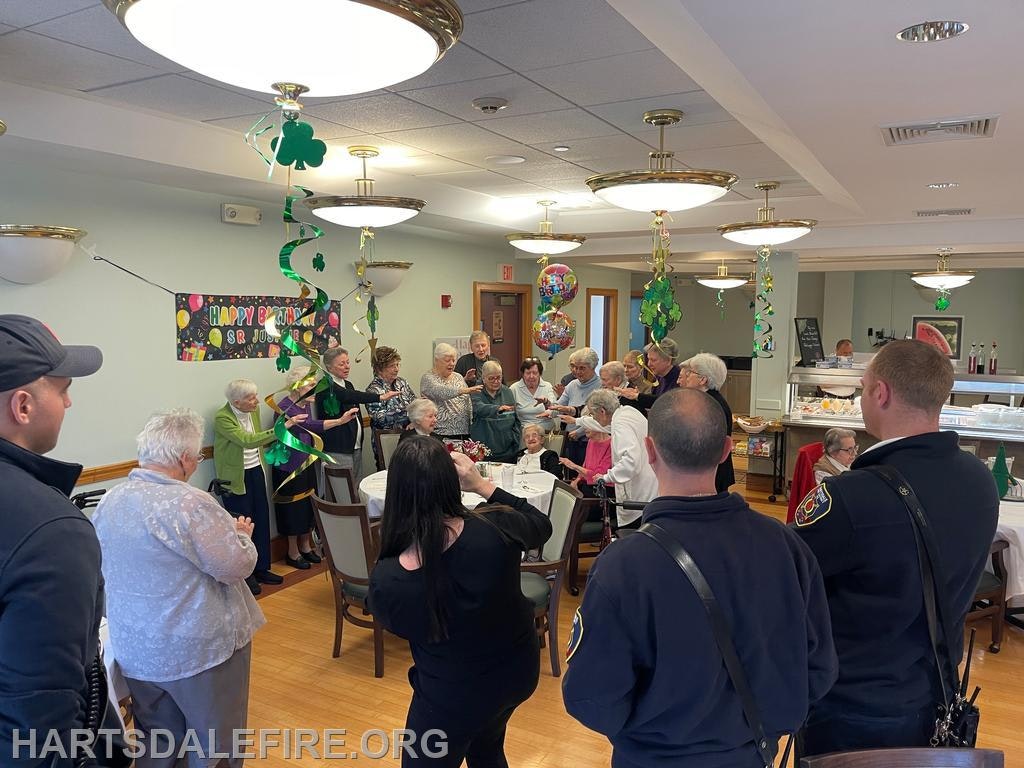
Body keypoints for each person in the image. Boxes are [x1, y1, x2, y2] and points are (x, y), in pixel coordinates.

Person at [562, 389, 838, 766]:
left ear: (650, 450)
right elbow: (820, 669)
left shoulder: (623, 565)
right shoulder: (785, 545)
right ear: (727, 450)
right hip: (754, 752)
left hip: (655, 757)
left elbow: (592, 701)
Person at [794, 340, 999, 755]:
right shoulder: (979, 480)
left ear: (881, 393)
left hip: (851, 703)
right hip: (935, 689)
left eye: (863, 386)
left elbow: (788, 580)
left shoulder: (849, 497)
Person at [93, 409, 265, 767]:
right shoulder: (190, 503)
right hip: (197, 650)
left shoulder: (110, 500)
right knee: (215, 743)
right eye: (198, 457)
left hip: (137, 647)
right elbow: (235, 567)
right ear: (185, 459)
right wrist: (242, 538)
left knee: (158, 743)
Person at [368, 436, 552, 767]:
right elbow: (541, 525)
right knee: (487, 748)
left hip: (452, 696)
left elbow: (398, 623)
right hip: (516, 672)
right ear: (452, 481)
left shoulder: (390, 579)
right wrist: (483, 486)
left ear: (395, 493)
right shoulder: (495, 524)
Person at [0, 314, 105, 766]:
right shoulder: (51, 531)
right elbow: (42, 722)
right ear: (23, 406)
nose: (69, 403)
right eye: (62, 390)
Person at [215, 378, 306, 593]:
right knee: (242, 524)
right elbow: (247, 440)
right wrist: (282, 429)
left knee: (261, 519)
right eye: (251, 398)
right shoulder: (222, 418)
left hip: (256, 470)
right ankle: (246, 575)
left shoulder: (252, 411)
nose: (257, 401)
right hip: (236, 477)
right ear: (237, 402)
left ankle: (262, 567)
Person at [275, 367, 359, 570]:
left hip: (307, 461)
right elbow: (309, 426)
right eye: (311, 385)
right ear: (297, 386)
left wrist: (340, 421)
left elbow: (313, 425)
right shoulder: (285, 406)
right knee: (293, 508)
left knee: (307, 505)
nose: (315, 389)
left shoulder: (304, 404)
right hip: (290, 466)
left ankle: (306, 546)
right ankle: (292, 552)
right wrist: (338, 421)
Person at [316, 346, 402, 488]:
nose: (346, 367)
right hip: (338, 447)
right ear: (329, 367)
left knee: (356, 486)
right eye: (341, 364)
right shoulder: (326, 386)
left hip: (354, 445)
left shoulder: (347, 384)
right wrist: (380, 397)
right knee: (343, 489)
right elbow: (349, 396)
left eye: (348, 362)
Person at [581, 388, 658, 528]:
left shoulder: (621, 425)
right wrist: (577, 420)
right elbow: (606, 426)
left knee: (634, 533)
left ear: (602, 411)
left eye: (593, 415)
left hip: (639, 488)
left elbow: (631, 461)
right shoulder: (627, 411)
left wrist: (606, 477)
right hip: (650, 480)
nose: (594, 419)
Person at [678, 353, 735, 492]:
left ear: (702, 379)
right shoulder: (706, 399)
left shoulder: (710, 404)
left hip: (711, 474)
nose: (685, 376)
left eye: (690, 372)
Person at [548, 347, 602, 466]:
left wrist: (579, 432)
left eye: (582, 368)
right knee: (571, 475)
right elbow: (559, 405)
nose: (577, 371)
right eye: (575, 367)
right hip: (571, 438)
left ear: (593, 367)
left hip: (590, 440)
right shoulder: (572, 385)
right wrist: (549, 410)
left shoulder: (601, 386)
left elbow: (597, 416)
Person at [366, 345, 417, 469]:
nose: (396, 369)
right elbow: (379, 418)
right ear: (380, 369)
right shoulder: (372, 390)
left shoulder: (402, 382)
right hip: (385, 442)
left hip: (408, 439)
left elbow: (414, 403)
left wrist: (415, 420)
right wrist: (405, 411)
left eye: (398, 365)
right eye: (392, 366)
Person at [420, 342, 481, 440]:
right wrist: (464, 390)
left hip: (465, 432)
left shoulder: (458, 376)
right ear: (436, 360)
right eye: (447, 360)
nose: (452, 364)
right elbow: (441, 391)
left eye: (453, 360)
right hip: (441, 433)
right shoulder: (428, 378)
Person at [470, 360, 521, 463]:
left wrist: (515, 440)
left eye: (499, 377)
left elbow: (515, 419)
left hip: (508, 452)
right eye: (491, 378)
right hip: (483, 453)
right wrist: (497, 409)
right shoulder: (475, 391)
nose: (496, 381)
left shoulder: (507, 392)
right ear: (483, 379)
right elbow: (478, 407)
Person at [615, 338, 680, 413]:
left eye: (653, 360)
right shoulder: (658, 376)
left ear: (668, 360)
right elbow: (653, 403)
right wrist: (636, 396)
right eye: (649, 359)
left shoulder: (679, 378)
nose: (649, 364)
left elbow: (667, 403)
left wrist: (638, 396)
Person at [557, 415, 613, 496]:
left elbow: (598, 475)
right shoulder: (591, 441)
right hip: (588, 484)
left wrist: (574, 466)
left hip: (603, 488)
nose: (584, 428)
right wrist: (577, 480)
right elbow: (585, 465)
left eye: (588, 426)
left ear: (599, 426)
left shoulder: (611, 444)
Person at [509, 357, 556, 435]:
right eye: (528, 373)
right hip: (524, 432)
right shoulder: (514, 388)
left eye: (535, 373)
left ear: (540, 374)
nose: (531, 376)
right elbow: (510, 414)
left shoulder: (547, 386)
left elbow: (554, 410)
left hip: (546, 431)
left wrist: (546, 403)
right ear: (523, 374)